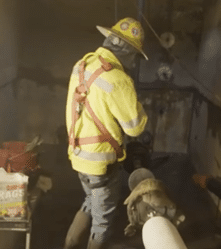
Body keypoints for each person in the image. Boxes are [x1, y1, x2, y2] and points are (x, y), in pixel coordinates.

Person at [64, 17, 149, 249]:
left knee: (90, 203)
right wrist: (138, 105)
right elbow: (135, 127)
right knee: (102, 224)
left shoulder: (81, 65)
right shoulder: (119, 79)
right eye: (134, 55)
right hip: (101, 165)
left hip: (78, 155)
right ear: (129, 51)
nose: (133, 61)